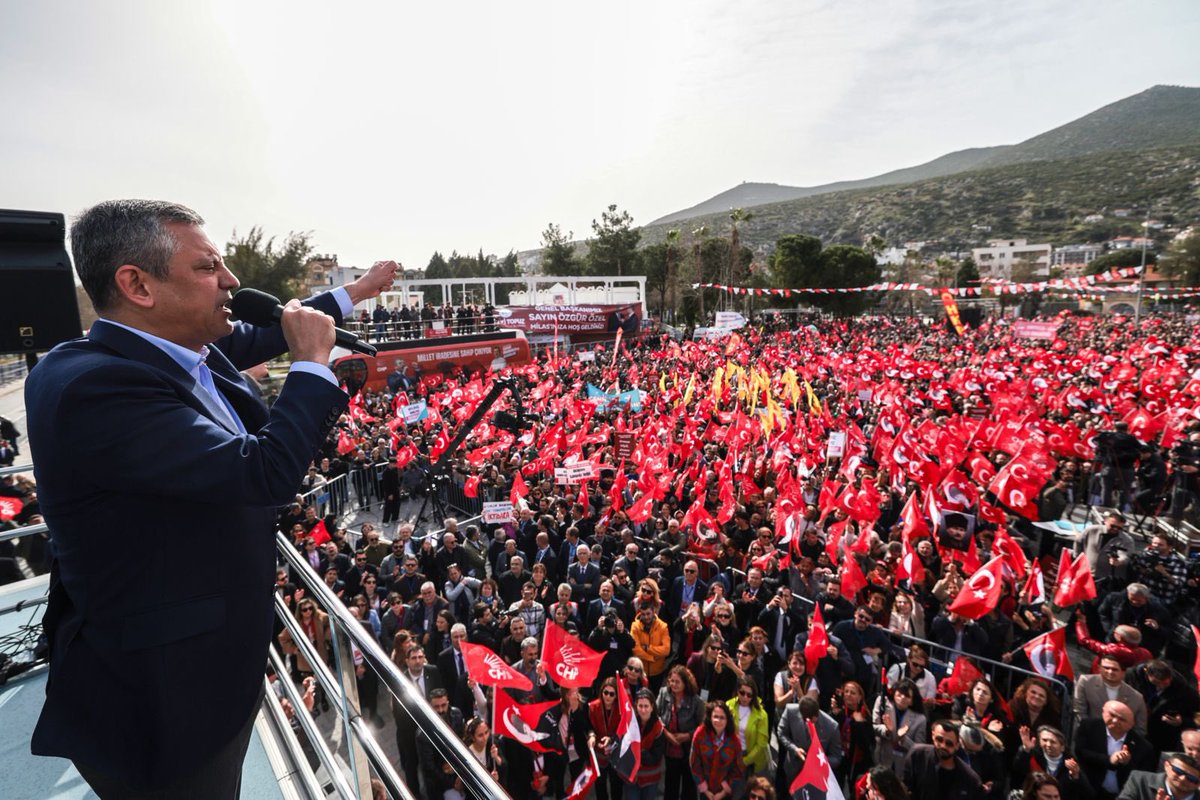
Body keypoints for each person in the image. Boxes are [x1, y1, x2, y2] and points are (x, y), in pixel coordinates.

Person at [25, 199, 396, 796]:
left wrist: (355, 291)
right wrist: (311, 365)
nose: (232, 281)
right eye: (208, 268)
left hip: (211, 663)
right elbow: (260, 475)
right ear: (137, 284)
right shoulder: (95, 386)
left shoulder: (174, 348)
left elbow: (266, 329)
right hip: (161, 695)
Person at [657, 664, 705, 800]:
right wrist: (667, 734)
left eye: (677, 681)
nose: (674, 684)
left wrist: (687, 736)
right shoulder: (663, 693)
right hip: (669, 748)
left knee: (689, 786)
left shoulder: (696, 701)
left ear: (686, 682)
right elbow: (656, 716)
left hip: (689, 750)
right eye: (671, 681)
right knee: (670, 784)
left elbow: (703, 726)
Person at [901, 719, 982, 800]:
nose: (943, 746)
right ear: (933, 736)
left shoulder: (970, 779)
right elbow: (905, 789)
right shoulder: (917, 755)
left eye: (949, 744)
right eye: (939, 739)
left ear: (957, 746)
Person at [690, 702, 744, 800]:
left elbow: (738, 769)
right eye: (715, 716)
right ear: (710, 717)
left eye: (722, 717)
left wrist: (723, 792)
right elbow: (694, 763)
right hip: (705, 791)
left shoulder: (734, 741)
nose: (718, 720)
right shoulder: (700, 735)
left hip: (725, 793)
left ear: (728, 720)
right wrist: (705, 789)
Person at [726, 677, 770, 776]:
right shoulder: (728, 705)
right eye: (742, 693)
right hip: (730, 754)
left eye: (749, 695)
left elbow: (761, 744)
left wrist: (744, 761)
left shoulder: (761, 715)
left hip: (749, 757)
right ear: (737, 691)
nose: (745, 697)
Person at [1116, 753, 1200, 800]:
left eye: (1191, 778)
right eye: (1178, 771)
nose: (1183, 779)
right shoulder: (1140, 779)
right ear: (1167, 766)